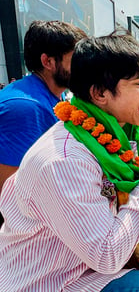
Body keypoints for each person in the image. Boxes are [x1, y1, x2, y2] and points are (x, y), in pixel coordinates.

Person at [0, 33, 139, 291]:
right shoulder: (64, 161)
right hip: (49, 281)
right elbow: (107, 255)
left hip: (84, 268)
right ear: (99, 93)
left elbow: (129, 196)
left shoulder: (125, 136)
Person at [0, 20, 87, 195]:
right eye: (76, 60)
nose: (84, 68)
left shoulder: (56, 95)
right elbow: (12, 193)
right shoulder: (24, 108)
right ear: (48, 61)